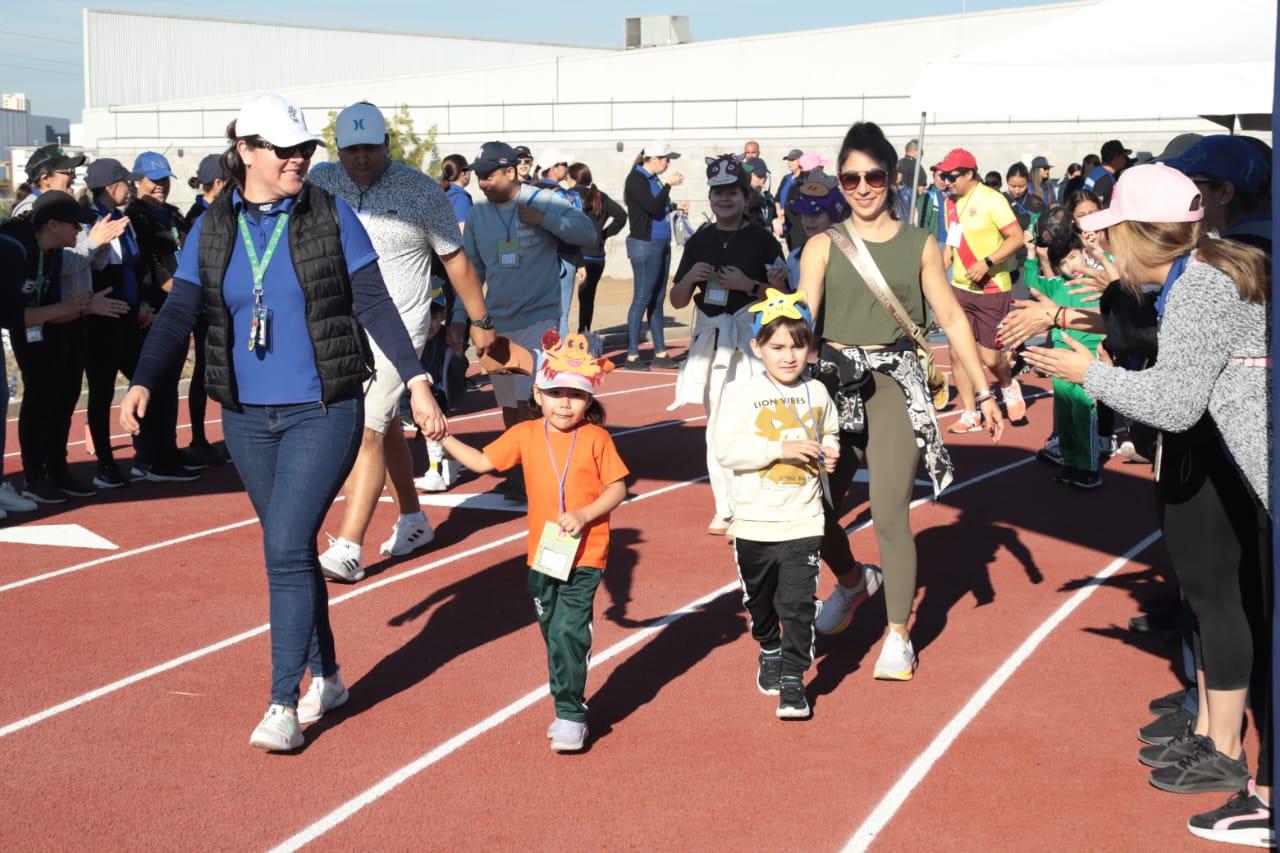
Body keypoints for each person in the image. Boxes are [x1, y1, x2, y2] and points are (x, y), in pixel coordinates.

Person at [118, 92, 446, 753]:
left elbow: (375, 302)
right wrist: (145, 379)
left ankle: (282, 702)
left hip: (323, 408)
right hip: (243, 413)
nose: (298, 159)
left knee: (283, 550)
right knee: (292, 550)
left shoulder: (330, 215)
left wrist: (414, 377)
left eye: (304, 150)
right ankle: (327, 673)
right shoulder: (212, 226)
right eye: (284, 149)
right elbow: (181, 309)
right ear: (246, 152)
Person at [1023, 164, 1271, 846]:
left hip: (1246, 470)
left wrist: (1087, 372)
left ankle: (1230, 752)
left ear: (1138, 234)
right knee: (1224, 598)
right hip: (1238, 465)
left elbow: (1174, 400)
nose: (1107, 247)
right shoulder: (1202, 273)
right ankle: (1216, 737)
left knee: (1233, 600)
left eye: (1113, 233)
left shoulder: (1202, 285)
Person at [797, 123, 1004, 680]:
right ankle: (850, 581)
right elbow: (801, 316)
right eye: (851, 177)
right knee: (808, 510)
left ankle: (897, 634)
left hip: (895, 384)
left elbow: (954, 317)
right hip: (832, 385)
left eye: (874, 176)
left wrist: (983, 390)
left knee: (889, 513)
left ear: (892, 179)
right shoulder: (820, 246)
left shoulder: (920, 244)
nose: (862, 187)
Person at [308, 102, 491, 581]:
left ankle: (349, 546)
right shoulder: (322, 181)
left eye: (371, 147)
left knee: (365, 428)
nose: (362, 158)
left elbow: (456, 262)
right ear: (338, 150)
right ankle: (413, 518)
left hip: (401, 327)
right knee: (384, 423)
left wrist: (479, 320)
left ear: (387, 145)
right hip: (340, 326)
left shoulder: (421, 191)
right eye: (353, 149)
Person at [441, 330, 629, 752]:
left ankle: (570, 712)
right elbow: (484, 462)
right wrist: (444, 438)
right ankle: (566, 686)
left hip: (587, 554)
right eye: (556, 393)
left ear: (589, 400)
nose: (565, 403)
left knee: (567, 631)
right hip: (544, 555)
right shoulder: (526, 434)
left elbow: (617, 489)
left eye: (576, 395)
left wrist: (584, 515)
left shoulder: (597, 439)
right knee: (551, 630)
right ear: (538, 395)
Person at [713, 290, 839, 720]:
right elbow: (726, 451)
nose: (789, 356)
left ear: (811, 348)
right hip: (753, 522)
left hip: (803, 518)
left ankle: (793, 680)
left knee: (798, 604)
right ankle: (768, 643)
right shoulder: (741, 393)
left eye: (798, 346)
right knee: (760, 601)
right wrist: (780, 448)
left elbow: (831, 433)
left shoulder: (819, 392)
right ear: (757, 348)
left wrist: (831, 450)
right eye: (777, 347)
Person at [459, 141, 597, 500]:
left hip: (540, 318)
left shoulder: (544, 199)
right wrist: (465, 320)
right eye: (478, 177)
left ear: (510, 171)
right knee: (508, 403)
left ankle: (536, 470)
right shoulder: (477, 215)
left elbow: (588, 234)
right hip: (497, 320)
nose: (483, 183)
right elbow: (469, 271)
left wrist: (546, 221)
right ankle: (520, 466)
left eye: (489, 175)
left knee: (530, 400)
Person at [669, 155, 788, 535]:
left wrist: (749, 287)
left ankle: (755, 502)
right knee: (717, 425)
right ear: (710, 197)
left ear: (743, 196)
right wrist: (690, 278)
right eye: (718, 193)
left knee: (755, 422)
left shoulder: (761, 238)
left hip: (751, 339)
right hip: (712, 340)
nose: (724, 199)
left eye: (731, 193)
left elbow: (785, 295)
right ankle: (726, 507)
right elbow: (676, 300)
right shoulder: (700, 239)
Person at [3, 192, 129, 503]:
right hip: (24, 328)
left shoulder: (54, 249)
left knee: (63, 395)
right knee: (38, 399)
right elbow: (13, 317)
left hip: (46, 328)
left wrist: (84, 306)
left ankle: (57, 471)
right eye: (75, 224)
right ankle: (33, 477)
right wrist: (71, 307)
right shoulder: (13, 248)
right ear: (53, 224)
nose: (80, 231)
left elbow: (46, 309)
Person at [934, 148, 1027, 432]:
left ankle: (1008, 381)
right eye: (944, 176)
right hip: (959, 289)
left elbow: (1016, 237)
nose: (946, 181)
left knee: (989, 356)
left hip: (992, 288)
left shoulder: (992, 200)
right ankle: (970, 412)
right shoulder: (952, 204)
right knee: (958, 353)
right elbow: (952, 246)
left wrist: (988, 262)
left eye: (952, 176)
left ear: (969, 174)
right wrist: (935, 278)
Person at [126, 150, 201, 482]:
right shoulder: (135, 218)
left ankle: (167, 450)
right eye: (153, 181)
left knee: (169, 385)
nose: (160, 187)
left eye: (163, 180)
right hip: (155, 311)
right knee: (150, 383)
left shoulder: (173, 215)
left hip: (180, 306)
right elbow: (151, 270)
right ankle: (148, 457)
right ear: (137, 181)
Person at [82, 158, 156, 489]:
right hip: (103, 318)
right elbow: (91, 267)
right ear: (113, 187)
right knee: (101, 391)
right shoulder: (91, 221)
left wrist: (139, 302)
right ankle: (105, 464)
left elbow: (133, 265)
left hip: (127, 314)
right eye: (126, 182)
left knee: (145, 379)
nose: (130, 186)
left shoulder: (124, 220)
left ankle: (148, 455)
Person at [1019, 208, 1102, 489]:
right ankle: (1070, 463)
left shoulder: (1095, 283)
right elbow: (1032, 285)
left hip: (1087, 358)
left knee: (1083, 412)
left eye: (1076, 257)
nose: (1072, 265)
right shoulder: (1056, 285)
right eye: (1065, 261)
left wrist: (1092, 246)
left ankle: (1089, 467)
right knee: (1065, 416)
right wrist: (1032, 254)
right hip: (1059, 359)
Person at [181, 154, 232, 467]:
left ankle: (226, 437)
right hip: (206, 305)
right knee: (204, 372)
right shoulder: (197, 216)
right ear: (219, 182)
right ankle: (199, 437)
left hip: (224, 304)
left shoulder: (223, 209)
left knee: (226, 369)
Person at [622, 141, 685, 371]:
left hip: (660, 242)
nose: (668, 163)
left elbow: (659, 207)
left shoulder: (654, 179)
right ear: (653, 158)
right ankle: (631, 355)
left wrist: (675, 205)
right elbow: (650, 206)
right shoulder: (637, 178)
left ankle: (660, 352)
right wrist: (668, 186)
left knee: (657, 299)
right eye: (666, 158)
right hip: (645, 244)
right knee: (642, 297)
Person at [566, 163, 626, 333]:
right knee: (587, 299)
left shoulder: (570, 196)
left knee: (564, 298)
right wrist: (604, 234)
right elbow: (622, 215)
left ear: (571, 178)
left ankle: (562, 338)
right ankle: (583, 334)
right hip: (596, 256)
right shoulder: (600, 195)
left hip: (575, 254)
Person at [783, 170, 849, 288]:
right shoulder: (795, 257)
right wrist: (779, 286)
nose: (809, 220)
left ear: (834, 217)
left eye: (816, 214)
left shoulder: (851, 255)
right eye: (804, 213)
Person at [1004, 161, 1049, 297]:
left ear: (1027, 183)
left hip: (1027, 260)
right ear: (1007, 182)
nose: (1017, 190)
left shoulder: (1036, 202)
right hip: (1004, 260)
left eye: (1021, 186)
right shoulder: (1000, 200)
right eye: (1013, 186)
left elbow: (1044, 230)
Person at [8, 143, 84, 219]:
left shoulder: (57, 206)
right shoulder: (30, 210)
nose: (74, 176)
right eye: (68, 171)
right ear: (46, 178)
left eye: (73, 171)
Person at [1084, 139, 1131, 207]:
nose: (1125, 159)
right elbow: (1098, 207)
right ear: (1116, 157)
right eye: (1123, 156)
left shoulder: (1097, 172)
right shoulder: (1104, 179)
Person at [775, 149, 803, 246]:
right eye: (788, 160)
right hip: (784, 223)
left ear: (801, 161)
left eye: (792, 160)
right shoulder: (786, 178)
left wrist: (783, 213)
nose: (789, 163)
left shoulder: (803, 179)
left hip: (797, 224)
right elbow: (777, 198)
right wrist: (779, 212)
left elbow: (798, 202)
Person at [439, 154, 473, 227]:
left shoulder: (442, 192)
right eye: (469, 169)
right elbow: (464, 234)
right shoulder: (461, 199)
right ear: (464, 173)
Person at [744, 157, 775, 230]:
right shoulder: (742, 198)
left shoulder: (767, 197)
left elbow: (770, 218)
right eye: (759, 176)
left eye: (764, 175)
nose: (763, 179)